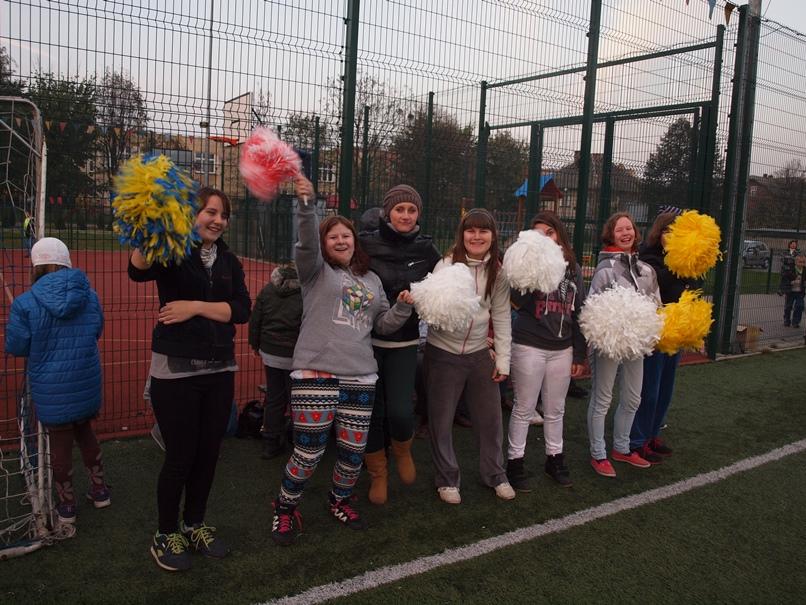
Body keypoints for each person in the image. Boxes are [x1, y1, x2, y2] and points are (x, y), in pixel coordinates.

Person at [270, 176, 414, 546]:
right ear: (324, 244)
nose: (340, 240)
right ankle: (284, 508)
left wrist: (401, 307)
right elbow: (305, 242)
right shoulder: (314, 271)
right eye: (332, 236)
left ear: (355, 241)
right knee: (309, 451)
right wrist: (307, 205)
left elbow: (382, 324)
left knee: (353, 453)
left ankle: (340, 500)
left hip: (361, 376)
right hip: (315, 373)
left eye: (345, 235)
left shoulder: (372, 281)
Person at [129, 187, 251, 572]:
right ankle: (166, 533)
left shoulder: (229, 261)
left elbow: (242, 310)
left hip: (220, 370)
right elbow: (137, 269)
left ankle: (194, 523)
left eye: (223, 214)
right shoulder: (172, 250)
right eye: (210, 212)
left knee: (208, 454)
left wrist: (194, 307)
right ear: (192, 215)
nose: (218, 220)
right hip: (176, 371)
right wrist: (152, 227)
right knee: (180, 456)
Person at [5, 237, 109, 526]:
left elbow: (17, 345)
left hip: (51, 386)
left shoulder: (25, 303)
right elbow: (96, 329)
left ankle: (67, 506)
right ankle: (100, 490)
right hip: (85, 379)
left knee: (60, 445)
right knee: (86, 433)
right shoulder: (90, 296)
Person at [424, 208, 515, 504]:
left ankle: (496, 474)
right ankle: (447, 479)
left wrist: (503, 360)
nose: (476, 236)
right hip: (443, 354)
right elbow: (433, 312)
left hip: (479, 354)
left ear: (492, 236)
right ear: (462, 234)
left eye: (483, 231)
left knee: (490, 420)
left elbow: (501, 315)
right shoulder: (446, 265)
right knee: (441, 421)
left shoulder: (498, 270)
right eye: (471, 230)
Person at [357, 185, 441, 505]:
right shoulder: (365, 244)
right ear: (387, 212)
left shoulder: (427, 249)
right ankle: (378, 472)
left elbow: (448, 278)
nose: (405, 215)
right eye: (399, 209)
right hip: (366, 341)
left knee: (401, 411)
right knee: (371, 412)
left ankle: (403, 450)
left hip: (405, 340)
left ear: (418, 214)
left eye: (411, 210)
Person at [506, 211, 587, 489]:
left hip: (562, 349)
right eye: (539, 234)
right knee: (524, 407)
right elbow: (515, 301)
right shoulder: (527, 263)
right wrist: (533, 268)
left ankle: (555, 459)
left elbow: (579, 311)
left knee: (556, 409)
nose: (546, 238)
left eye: (550, 233)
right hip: (529, 344)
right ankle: (514, 462)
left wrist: (579, 353)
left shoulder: (573, 268)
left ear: (560, 235)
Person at [586, 212, 661, 478]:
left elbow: (656, 305)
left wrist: (650, 329)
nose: (626, 233)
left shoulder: (646, 270)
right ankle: (598, 454)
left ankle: (621, 448)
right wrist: (609, 332)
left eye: (629, 228)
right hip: (608, 343)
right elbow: (592, 307)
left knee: (632, 397)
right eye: (620, 230)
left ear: (635, 233)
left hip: (635, 344)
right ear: (611, 234)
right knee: (602, 398)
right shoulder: (604, 269)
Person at [629, 211, 699, 464]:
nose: (672, 236)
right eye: (668, 231)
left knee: (665, 389)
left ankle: (652, 435)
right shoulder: (648, 257)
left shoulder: (683, 257)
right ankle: (637, 441)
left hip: (676, 332)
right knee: (650, 389)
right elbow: (663, 283)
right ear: (659, 232)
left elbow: (692, 287)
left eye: (677, 232)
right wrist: (678, 261)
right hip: (655, 332)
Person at [248, 262, 302, 459]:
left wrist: (255, 344)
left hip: (270, 351)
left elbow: (256, 320)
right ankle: (299, 443)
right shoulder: (306, 293)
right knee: (298, 400)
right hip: (295, 354)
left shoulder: (268, 290)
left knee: (274, 398)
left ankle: (270, 442)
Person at [781, 240, 803, 327]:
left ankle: (795, 322)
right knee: (788, 306)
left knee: (799, 306)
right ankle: (786, 320)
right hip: (790, 289)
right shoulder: (789, 271)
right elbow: (783, 260)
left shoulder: (803, 269)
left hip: (800, 291)